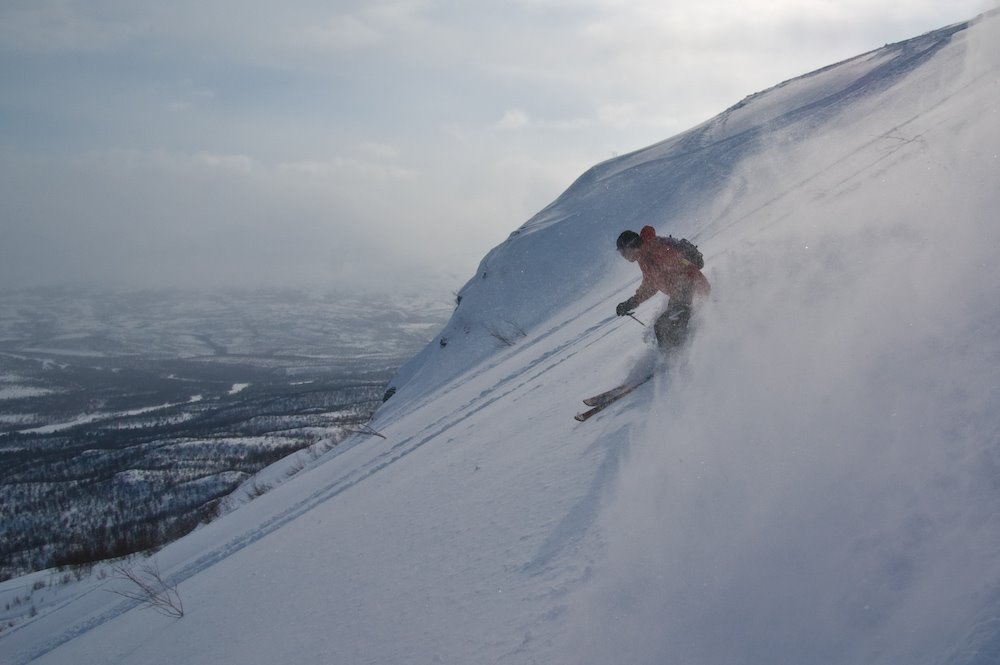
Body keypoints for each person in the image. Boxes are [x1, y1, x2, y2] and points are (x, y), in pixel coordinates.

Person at [615, 226, 710, 353]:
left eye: (624, 252)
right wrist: (631, 303)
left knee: (664, 325)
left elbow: (685, 267)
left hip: (688, 287)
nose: (624, 257)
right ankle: (676, 356)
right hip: (681, 292)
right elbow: (650, 285)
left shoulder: (656, 249)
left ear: (631, 245)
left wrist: (698, 291)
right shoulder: (644, 258)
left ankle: (677, 357)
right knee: (664, 326)